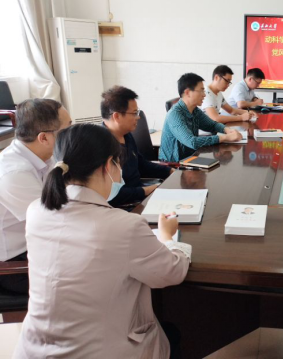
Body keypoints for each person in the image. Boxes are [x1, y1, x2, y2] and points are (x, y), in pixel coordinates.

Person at [14, 124, 191, 359]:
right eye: (118, 163)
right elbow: (172, 272)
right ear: (108, 165)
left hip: (32, 350)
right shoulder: (124, 226)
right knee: (175, 333)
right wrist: (168, 237)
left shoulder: (36, 211)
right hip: (101, 352)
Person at [0, 99, 71, 294]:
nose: (72, 135)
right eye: (67, 129)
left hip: (40, 246)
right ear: (44, 138)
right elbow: (54, 221)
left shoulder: (44, 156)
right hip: (14, 265)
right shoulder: (14, 173)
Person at [101, 86, 174, 208]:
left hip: (140, 196)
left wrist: (169, 171)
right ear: (117, 116)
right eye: (134, 113)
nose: (138, 117)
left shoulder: (126, 135)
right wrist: (147, 190)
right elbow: (112, 195)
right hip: (125, 206)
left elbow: (141, 164)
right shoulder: (100, 145)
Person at [159, 73, 243, 162]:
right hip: (173, 164)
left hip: (191, 158)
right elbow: (192, 142)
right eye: (201, 91)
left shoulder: (195, 110)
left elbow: (212, 125)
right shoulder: (174, 114)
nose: (204, 95)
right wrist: (226, 137)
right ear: (187, 92)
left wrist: (226, 130)